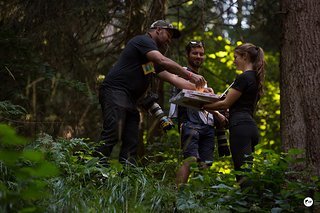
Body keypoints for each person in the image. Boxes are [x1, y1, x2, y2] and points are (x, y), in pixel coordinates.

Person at [95, 20, 207, 165]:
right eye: (168, 34)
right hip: (116, 92)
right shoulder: (142, 41)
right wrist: (191, 75)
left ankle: (126, 180)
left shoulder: (148, 61)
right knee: (113, 133)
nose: (169, 40)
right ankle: (93, 173)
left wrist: (202, 89)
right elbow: (162, 60)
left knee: (131, 141)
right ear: (158, 30)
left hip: (131, 100)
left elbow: (172, 78)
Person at [204, 43, 266, 185]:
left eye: (236, 57)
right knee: (246, 171)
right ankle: (250, 203)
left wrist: (202, 105)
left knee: (242, 175)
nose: (234, 60)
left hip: (240, 128)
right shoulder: (255, 79)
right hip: (250, 128)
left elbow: (225, 103)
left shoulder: (244, 78)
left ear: (245, 57)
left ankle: (249, 204)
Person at [171, 41, 227, 187]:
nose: (198, 56)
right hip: (190, 123)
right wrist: (205, 92)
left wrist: (215, 102)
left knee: (206, 165)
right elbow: (188, 94)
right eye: (195, 53)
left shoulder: (203, 79)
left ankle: (200, 201)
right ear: (187, 55)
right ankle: (175, 196)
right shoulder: (182, 72)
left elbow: (205, 104)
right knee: (190, 159)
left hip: (207, 125)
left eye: (201, 54)